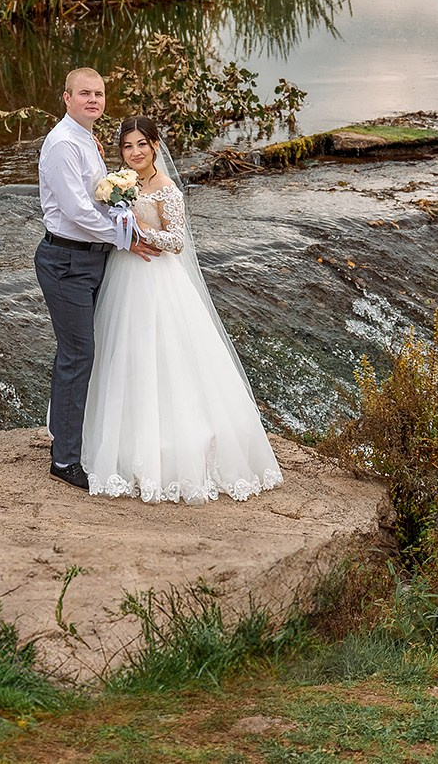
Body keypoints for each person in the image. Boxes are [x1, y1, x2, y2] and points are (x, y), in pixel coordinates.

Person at [80, 114, 283, 503]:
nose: (135, 152)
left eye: (142, 144)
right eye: (127, 146)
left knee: (168, 358)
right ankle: (122, 445)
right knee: (125, 356)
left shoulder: (166, 188)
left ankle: (175, 451)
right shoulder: (118, 185)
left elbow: (176, 241)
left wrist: (138, 230)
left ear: (156, 146)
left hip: (158, 280)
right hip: (123, 276)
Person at [36, 67, 160, 490]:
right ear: (66, 97)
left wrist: (124, 226)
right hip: (66, 260)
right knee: (78, 354)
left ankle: (64, 436)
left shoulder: (88, 139)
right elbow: (76, 211)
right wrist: (126, 237)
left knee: (79, 352)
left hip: (91, 259)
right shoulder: (61, 144)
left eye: (99, 94)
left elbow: (99, 198)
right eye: (84, 93)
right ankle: (65, 460)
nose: (93, 100)